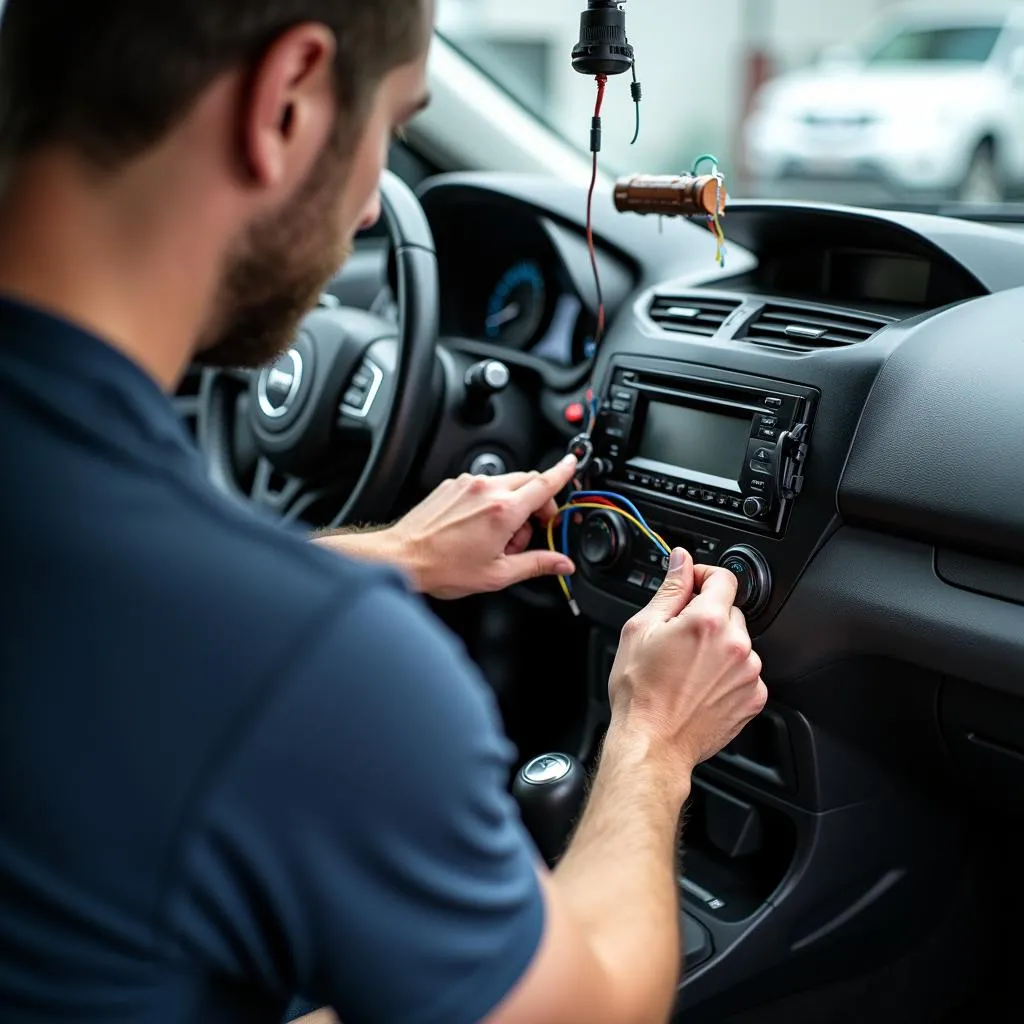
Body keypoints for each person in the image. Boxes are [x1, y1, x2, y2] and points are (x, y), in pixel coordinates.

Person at [0, 0, 767, 1022]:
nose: (370, 210)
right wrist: (654, 740)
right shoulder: (318, 670)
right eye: (393, 129)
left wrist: (384, 555)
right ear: (286, 102)